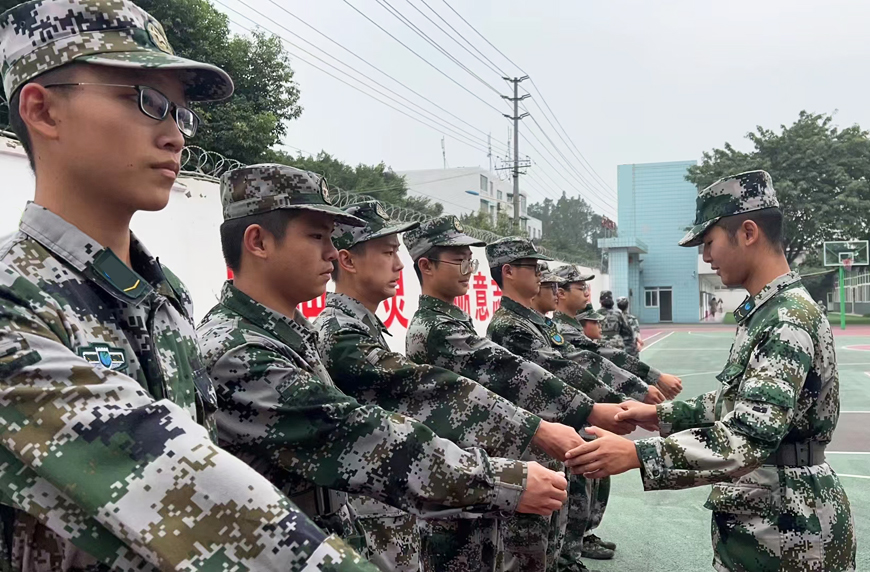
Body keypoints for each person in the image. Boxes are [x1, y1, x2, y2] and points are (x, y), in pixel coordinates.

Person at [0, 2, 379, 570]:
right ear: (43, 110)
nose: (174, 135)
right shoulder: (15, 299)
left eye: (181, 114)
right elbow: (184, 489)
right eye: (148, 101)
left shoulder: (163, 297)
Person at [198, 168, 570, 572]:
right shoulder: (238, 350)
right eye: (316, 236)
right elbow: (358, 434)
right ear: (258, 242)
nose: (330, 252)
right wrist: (502, 481)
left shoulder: (287, 334)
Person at [565, 170, 857, 572]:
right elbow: (739, 401)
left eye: (709, 242)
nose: (705, 256)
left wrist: (637, 454)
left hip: (790, 530)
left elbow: (751, 435)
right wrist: (658, 415)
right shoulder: (768, 313)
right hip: (775, 517)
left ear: (748, 232)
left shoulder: (785, 319)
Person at [314, 202, 577, 571]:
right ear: (348, 260)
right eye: (388, 252)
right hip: (398, 510)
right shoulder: (341, 336)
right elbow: (436, 389)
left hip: (424, 496)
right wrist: (537, 428)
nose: (399, 264)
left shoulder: (359, 328)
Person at [402, 216, 638, 572]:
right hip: (467, 478)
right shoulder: (436, 329)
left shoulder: (452, 322)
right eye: (459, 259)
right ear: (426, 266)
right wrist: (590, 409)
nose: (468, 268)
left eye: (471, 259)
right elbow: (513, 370)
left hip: (486, 469)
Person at [485, 237, 639, 572]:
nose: (542, 276)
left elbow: (575, 363)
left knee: (552, 531)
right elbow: (554, 372)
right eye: (534, 268)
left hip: (549, 437)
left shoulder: (533, 324)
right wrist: (603, 405)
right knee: (529, 543)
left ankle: (567, 556)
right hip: (529, 444)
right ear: (509, 272)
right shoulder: (509, 327)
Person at [551, 266, 683, 400]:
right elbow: (600, 356)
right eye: (581, 288)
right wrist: (650, 382)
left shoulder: (570, 326)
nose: (586, 293)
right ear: (561, 293)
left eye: (586, 288)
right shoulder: (562, 330)